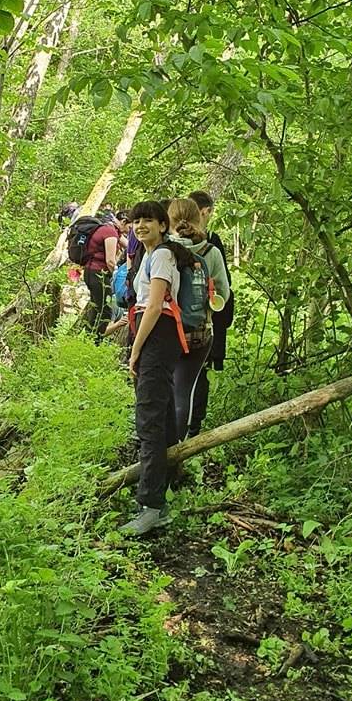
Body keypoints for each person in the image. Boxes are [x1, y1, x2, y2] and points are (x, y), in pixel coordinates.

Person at [120, 200, 196, 538]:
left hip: (157, 334)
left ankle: (150, 506)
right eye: (136, 221)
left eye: (148, 220)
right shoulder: (149, 255)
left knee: (148, 419)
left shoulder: (163, 255)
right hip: (155, 334)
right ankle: (164, 492)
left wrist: (135, 350)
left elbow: (154, 306)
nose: (140, 226)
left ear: (163, 225)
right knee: (161, 414)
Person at [167, 198, 230, 441]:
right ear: (199, 217)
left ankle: (160, 444)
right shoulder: (211, 252)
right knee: (185, 391)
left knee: (164, 388)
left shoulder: (162, 249)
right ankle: (182, 443)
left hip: (165, 329)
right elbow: (223, 293)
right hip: (199, 332)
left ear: (168, 220)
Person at [188, 189, 235, 435]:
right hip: (205, 321)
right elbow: (224, 289)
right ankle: (193, 428)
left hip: (173, 321)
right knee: (199, 373)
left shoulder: (168, 242)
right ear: (206, 211)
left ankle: (179, 428)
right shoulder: (211, 244)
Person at [59, 202, 119, 340]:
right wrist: (117, 276)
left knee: (96, 307)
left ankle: (87, 339)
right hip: (100, 274)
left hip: (89, 272)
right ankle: (95, 341)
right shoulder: (110, 231)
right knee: (105, 310)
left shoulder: (98, 230)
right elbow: (110, 261)